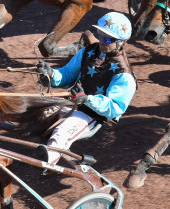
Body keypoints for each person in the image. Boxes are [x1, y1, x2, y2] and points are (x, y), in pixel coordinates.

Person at [34, 11, 137, 165]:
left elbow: (115, 108)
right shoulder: (88, 51)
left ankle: (46, 162)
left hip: (92, 115)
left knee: (60, 134)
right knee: (34, 110)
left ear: (121, 42)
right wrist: (50, 74)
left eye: (107, 38)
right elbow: (67, 75)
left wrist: (88, 99)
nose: (101, 41)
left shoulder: (124, 75)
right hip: (71, 103)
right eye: (100, 35)